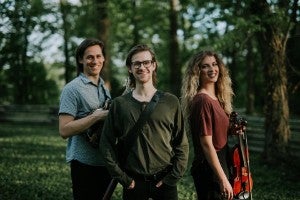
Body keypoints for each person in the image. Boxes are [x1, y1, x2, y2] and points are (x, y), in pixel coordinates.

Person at [100, 44, 189, 200]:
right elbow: (106, 144)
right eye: (137, 63)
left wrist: (172, 178)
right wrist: (123, 178)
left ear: (153, 65)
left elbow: (181, 143)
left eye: (146, 62)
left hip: (164, 182)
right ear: (130, 68)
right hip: (134, 183)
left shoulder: (170, 101)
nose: (142, 67)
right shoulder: (119, 104)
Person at [181, 51, 244, 200]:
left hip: (221, 161)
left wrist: (231, 130)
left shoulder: (216, 99)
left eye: (214, 64)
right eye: (205, 66)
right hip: (210, 167)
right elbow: (207, 144)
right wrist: (222, 179)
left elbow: (216, 131)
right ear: (197, 72)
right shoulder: (203, 101)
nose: (212, 69)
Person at [58, 38, 112, 200]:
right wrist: (96, 116)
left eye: (98, 56)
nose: (95, 61)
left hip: (105, 162)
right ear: (81, 60)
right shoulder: (72, 89)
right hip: (84, 164)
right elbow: (64, 130)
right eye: (89, 57)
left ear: (103, 59)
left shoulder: (105, 88)